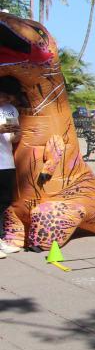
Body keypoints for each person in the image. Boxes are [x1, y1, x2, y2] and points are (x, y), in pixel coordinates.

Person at [0, 80, 23, 259]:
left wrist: (16, 133)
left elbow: (14, 138)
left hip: (6, 162)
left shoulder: (10, 109)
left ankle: (1, 239)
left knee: (3, 202)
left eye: (7, 96)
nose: (5, 99)